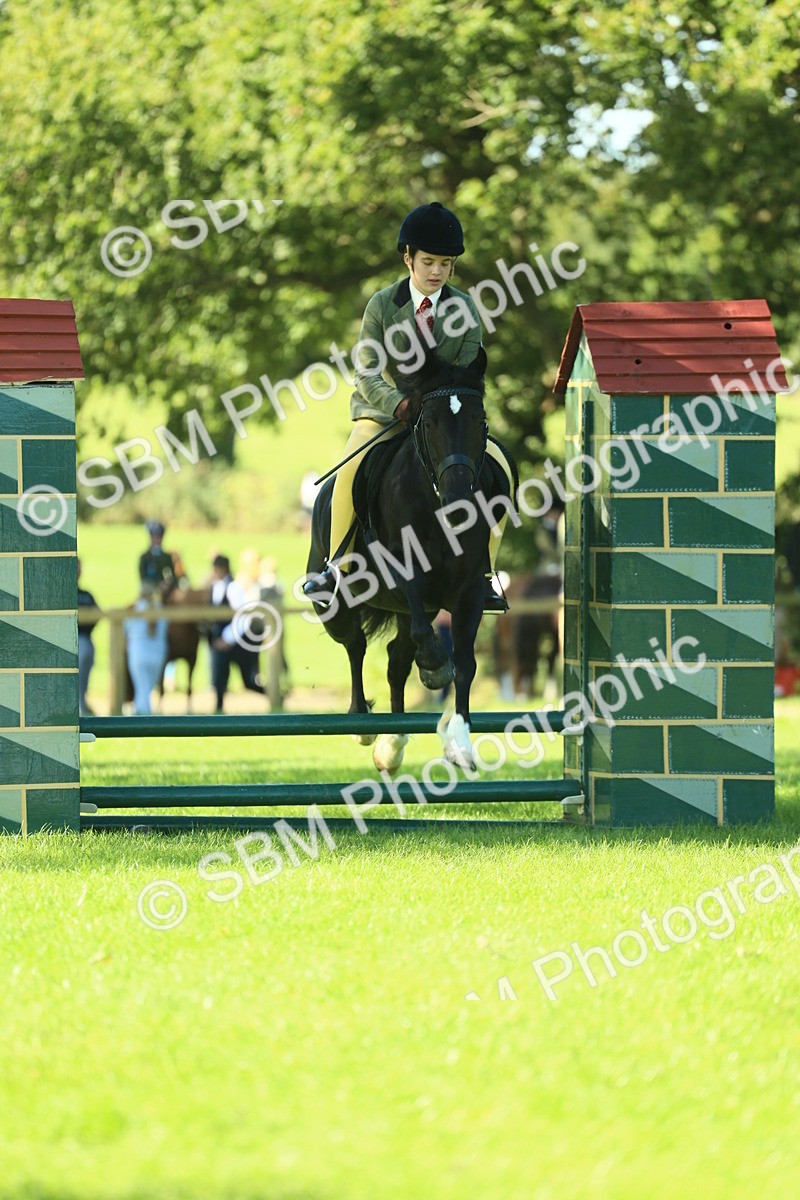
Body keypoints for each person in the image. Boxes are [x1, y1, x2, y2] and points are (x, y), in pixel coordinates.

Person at [302, 201, 512, 612]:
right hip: (383, 415)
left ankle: (484, 571)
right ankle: (338, 568)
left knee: (499, 469)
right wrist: (399, 404)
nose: (437, 272)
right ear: (408, 259)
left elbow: (468, 371)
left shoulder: (465, 308)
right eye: (429, 261)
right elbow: (366, 372)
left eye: (446, 264)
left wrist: (442, 407)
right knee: (348, 471)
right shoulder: (381, 305)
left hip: (441, 420)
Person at [208, 553, 266, 714]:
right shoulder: (215, 587)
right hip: (221, 643)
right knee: (219, 680)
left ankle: (274, 696)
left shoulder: (233, 588)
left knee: (248, 681)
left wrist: (227, 639)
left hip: (237, 643)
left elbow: (243, 616)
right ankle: (218, 712)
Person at [124, 581, 168, 715]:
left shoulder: (134, 609)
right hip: (157, 654)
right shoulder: (160, 609)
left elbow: (126, 630)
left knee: (141, 686)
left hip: (138, 653)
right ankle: (143, 711)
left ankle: (142, 714)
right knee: (147, 687)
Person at [77, 558, 99, 716]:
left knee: (85, 675)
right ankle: (78, 705)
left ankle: (82, 702)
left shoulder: (86, 595)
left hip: (87, 639)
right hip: (75, 640)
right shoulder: (62, 595)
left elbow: (98, 613)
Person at [138, 520, 176, 594]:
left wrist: (167, 583)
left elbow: (171, 575)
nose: (156, 540)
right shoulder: (145, 557)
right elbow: (143, 578)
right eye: (154, 537)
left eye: (159, 537)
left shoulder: (166, 557)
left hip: (163, 590)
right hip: (148, 588)